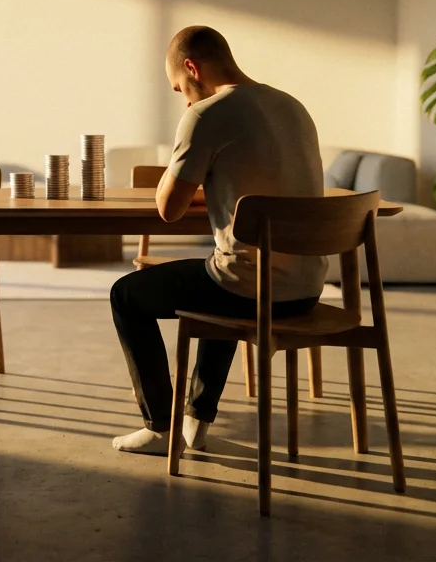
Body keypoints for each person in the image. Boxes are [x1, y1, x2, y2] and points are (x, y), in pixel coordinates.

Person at [109, 25, 325, 455]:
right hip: (306, 288)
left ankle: (159, 427)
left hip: (252, 290)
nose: (184, 98)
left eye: (179, 88)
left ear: (192, 67)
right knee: (222, 268)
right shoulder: (293, 106)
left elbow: (168, 209)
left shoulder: (206, 114)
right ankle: (197, 420)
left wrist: (187, 136)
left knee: (127, 295)